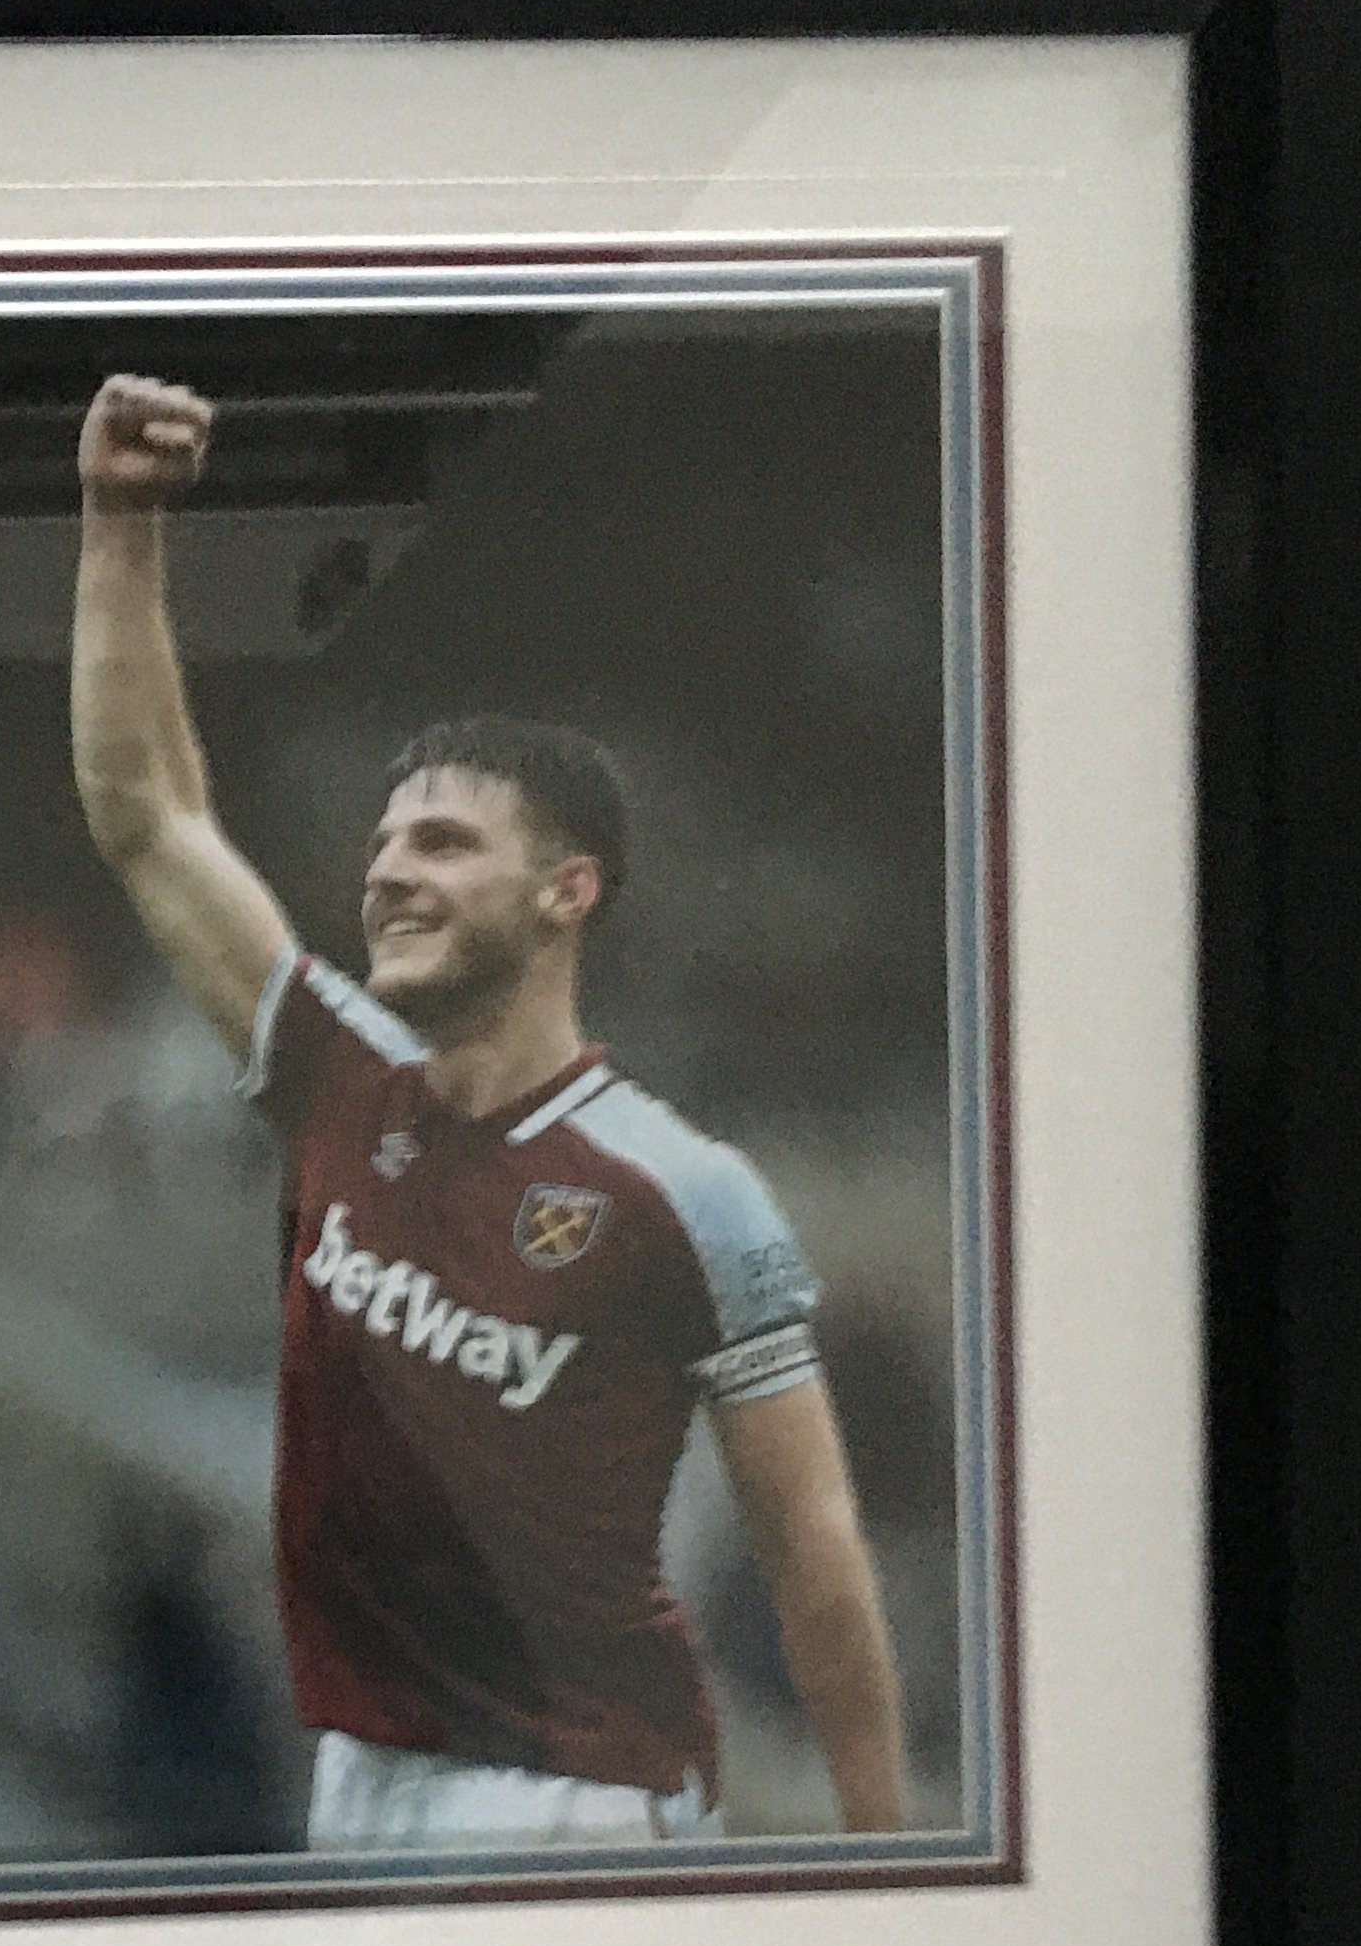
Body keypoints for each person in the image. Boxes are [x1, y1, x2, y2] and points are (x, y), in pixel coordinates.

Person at [65, 372, 907, 1849]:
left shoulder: (683, 1186)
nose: (389, 871)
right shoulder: (335, 1079)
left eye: (443, 844)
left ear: (564, 892)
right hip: (359, 1776)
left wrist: (896, 1849)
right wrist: (119, 525)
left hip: (569, 1795)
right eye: (386, 843)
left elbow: (813, 1547)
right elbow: (147, 810)